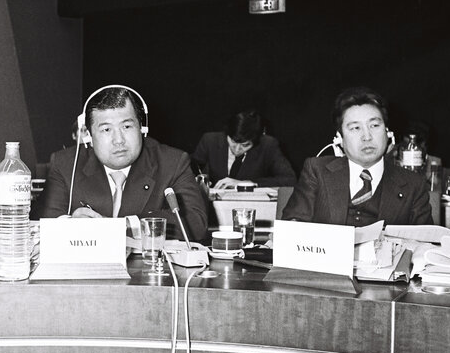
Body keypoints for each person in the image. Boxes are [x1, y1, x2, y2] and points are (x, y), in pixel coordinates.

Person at [37, 86, 208, 242]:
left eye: (126, 127)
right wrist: (70, 224)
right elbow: (43, 219)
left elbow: (195, 223)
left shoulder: (172, 162)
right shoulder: (65, 164)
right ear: (88, 136)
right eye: (106, 129)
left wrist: (121, 227)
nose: (118, 140)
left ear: (142, 128)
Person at [282, 87, 432, 227]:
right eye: (355, 128)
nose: (367, 137)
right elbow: (292, 227)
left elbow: (425, 245)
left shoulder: (413, 184)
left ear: (388, 133)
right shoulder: (317, 171)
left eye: (374, 126)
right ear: (339, 139)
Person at [191, 110, 296, 188]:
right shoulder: (209, 140)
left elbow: (290, 180)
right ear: (227, 134)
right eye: (233, 142)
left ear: (256, 141)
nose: (237, 149)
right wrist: (198, 181)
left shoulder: (268, 145)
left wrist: (250, 183)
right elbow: (192, 169)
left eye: (245, 145)